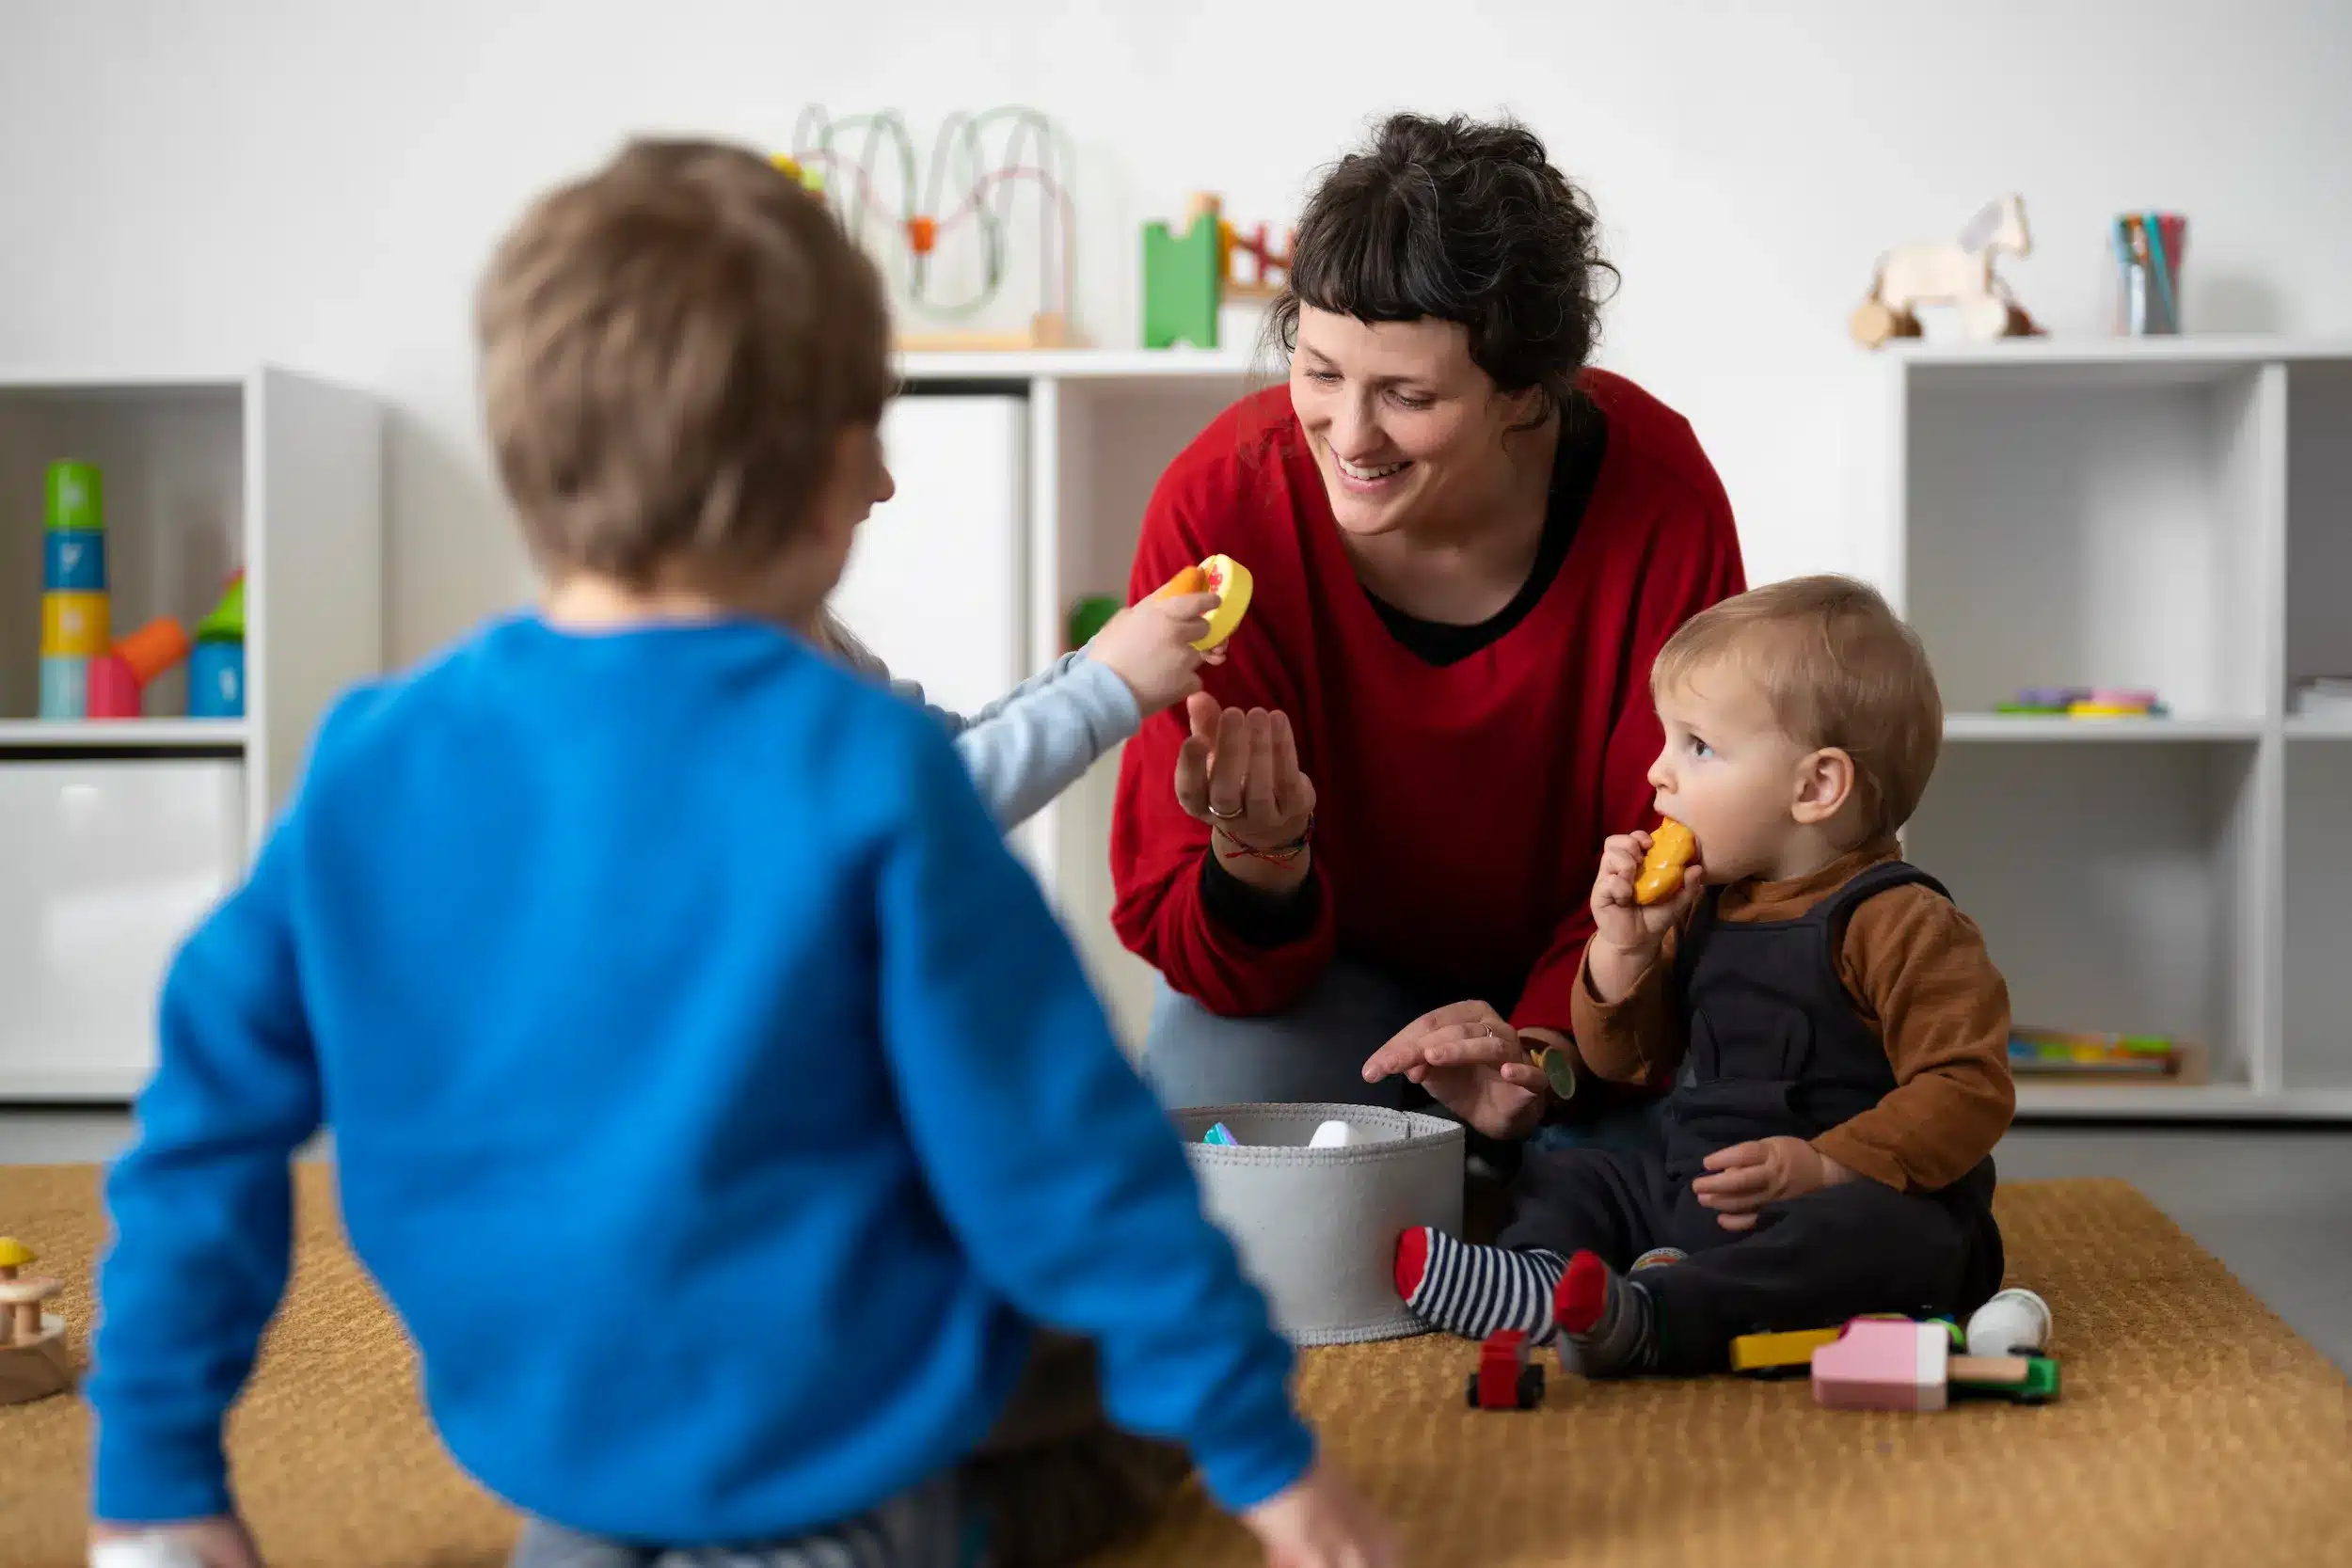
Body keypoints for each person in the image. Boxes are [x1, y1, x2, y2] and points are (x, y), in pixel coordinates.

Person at [87, 139, 1396, 1568]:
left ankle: (620, 1520)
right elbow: (1070, 1149)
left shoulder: (373, 759)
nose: (884, 486)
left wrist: (155, 1477)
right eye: (872, 441)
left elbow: (203, 1123)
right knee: (1101, 1392)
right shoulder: (869, 777)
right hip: (835, 1421)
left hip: (549, 1420)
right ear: (829, 472)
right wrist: (1271, 1459)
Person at [1109, 112, 1746, 1136]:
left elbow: (1685, 836)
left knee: (1708, 1157)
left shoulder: (1659, 498)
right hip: (1321, 980)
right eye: (1320, 372)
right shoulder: (1219, 506)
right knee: (1233, 1156)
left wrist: (1545, 1040)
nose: (1349, 436)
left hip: (1597, 972)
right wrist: (1259, 860)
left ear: (1523, 392)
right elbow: (1193, 933)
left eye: (1407, 395)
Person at [1378, 576, 2016, 1374]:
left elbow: (1968, 1086)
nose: (1657, 772)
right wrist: (1623, 950)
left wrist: (1825, 1166)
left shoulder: (1902, 922)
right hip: (1697, 1181)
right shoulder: (1704, 904)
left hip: (1833, 1195)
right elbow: (1621, 1061)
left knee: (1889, 1237)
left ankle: (1655, 1315)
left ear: (1815, 787)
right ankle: (1545, 1274)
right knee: (1580, 1164)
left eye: (1698, 746)